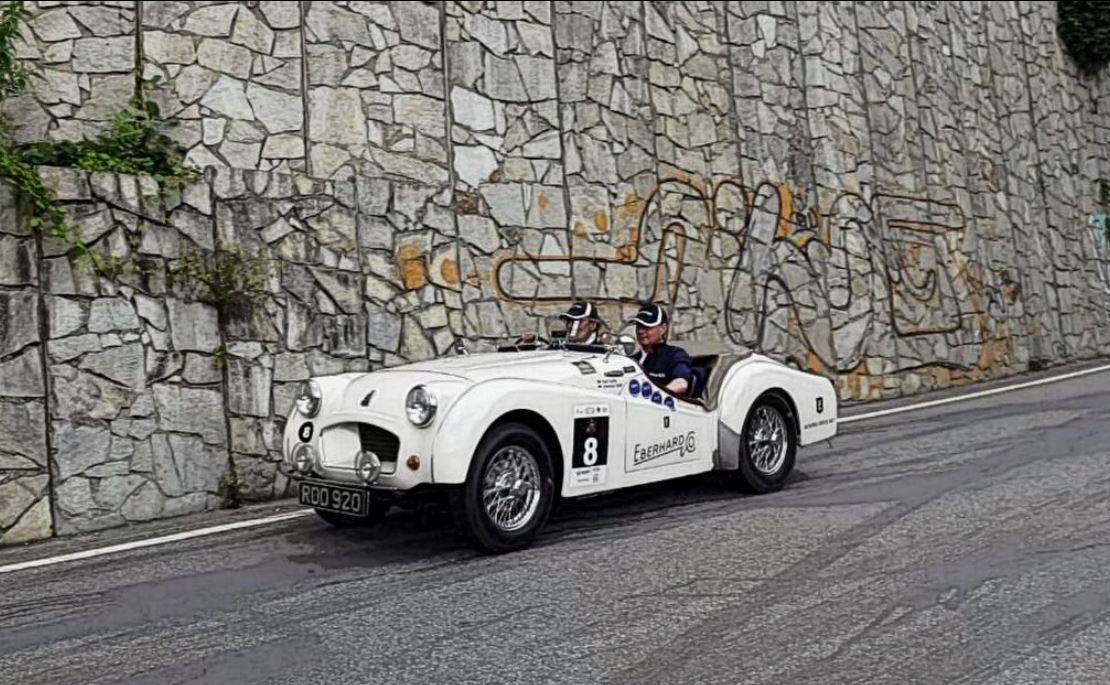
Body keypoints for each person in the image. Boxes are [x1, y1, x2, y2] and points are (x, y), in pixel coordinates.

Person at [630, 303, 698, 397]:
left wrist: (654, 397)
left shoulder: (674, 354)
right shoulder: (633, 359)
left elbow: (681, 384)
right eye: (639, 326)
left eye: (647, 326)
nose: (640, 331)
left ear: (663, 329)